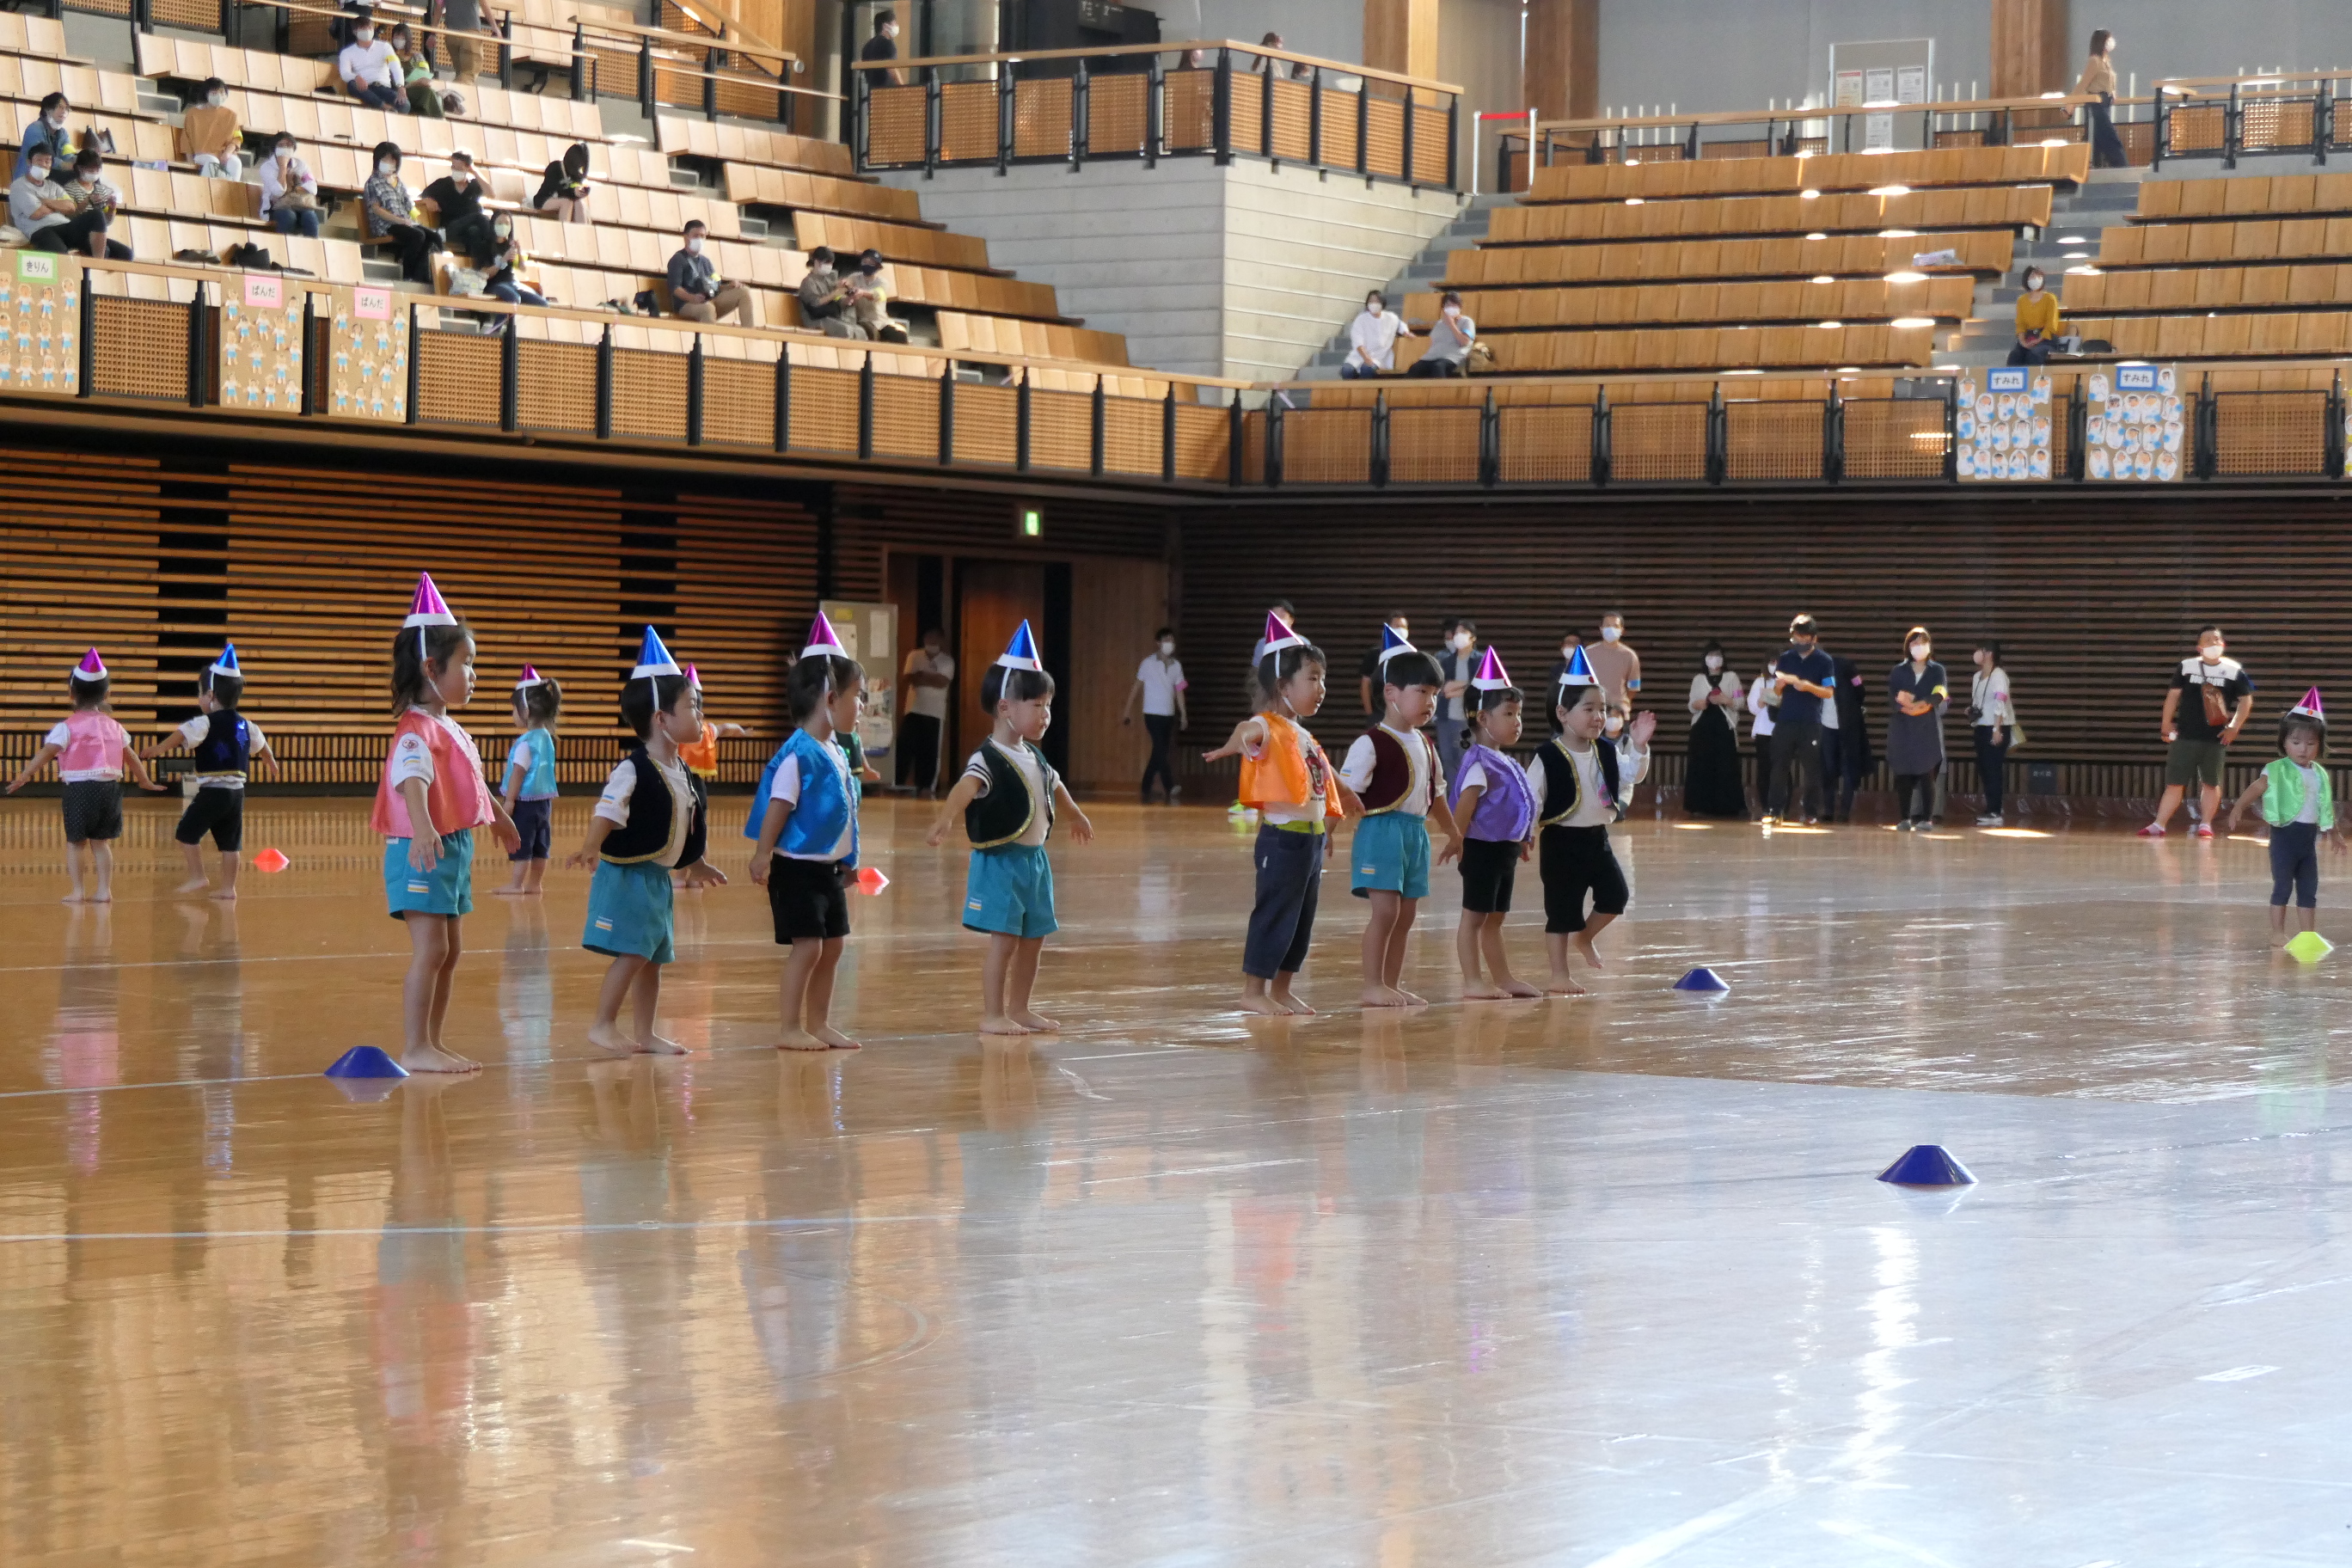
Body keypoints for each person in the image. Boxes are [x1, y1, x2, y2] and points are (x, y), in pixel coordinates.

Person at [371, 575, 521, 1072]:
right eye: (467, 664)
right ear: (431, 669)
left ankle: (431, 1043)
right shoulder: (416, 732)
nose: (473, 675)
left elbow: (472, 780)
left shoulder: (449, 728)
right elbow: (410, 781)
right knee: (432, 949)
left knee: (450, 951)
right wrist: (422, 828)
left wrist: (498, 818)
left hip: (450, 849)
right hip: (422, 849)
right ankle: (415, 1047)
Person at [926, 622, 1094, 1034]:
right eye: (1037, 705)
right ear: (1005, 707)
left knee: (1034, 939)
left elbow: (1056, 786)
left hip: (1035, 863)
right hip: (1001, 864)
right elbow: (966, 787)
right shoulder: (988, 757)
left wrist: (1075, 814)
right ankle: (993, 1014)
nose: (1046, 714)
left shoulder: (1035, 756)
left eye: (1048, 705)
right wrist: (945, 818)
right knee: (1004, 942)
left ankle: (1020, 1008)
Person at [567, 627, 725, 1056]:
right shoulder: (632, 769)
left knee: (653, 957)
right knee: (634, 954)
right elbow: (608, 809)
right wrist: (590, 845)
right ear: (661, 719)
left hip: (656, 881)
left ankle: (645, 1032)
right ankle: (602, 1024)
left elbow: (683, 824)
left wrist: (695, 862)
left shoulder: (683, 771)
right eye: (692, 706)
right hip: (629, 877)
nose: (700, 714)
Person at [1204, 615, 1354, 1015]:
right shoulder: (1266, 725)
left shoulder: (1303, 734)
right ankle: (1253, 990)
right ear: (1283, 687)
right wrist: (1234, 743)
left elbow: (1326, 775)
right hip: (1283, 840)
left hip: (1311, 840)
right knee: (1274, 914)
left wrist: (1346, 798)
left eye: (1323, 679)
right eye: (1313, 678)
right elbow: (1247, 730)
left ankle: (1283, 988)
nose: (1321, 688)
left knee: (1301, 920)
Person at [748, 617, 867, 1051]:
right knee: (809, 948)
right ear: (830, 699)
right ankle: (789, 1027)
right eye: (858, 696)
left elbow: (845, 811)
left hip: (827, 870)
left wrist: (848, 862)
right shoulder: (798, 754)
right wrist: (763, 853)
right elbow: (779, 805)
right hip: (796, 870)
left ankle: (819, 1023)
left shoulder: (836, 750)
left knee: (833, 947)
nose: (862, 705)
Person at [1341, 626, 1464, 1008]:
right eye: (1422, 692)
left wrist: (1454, 833)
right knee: (1386, 912)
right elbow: (1344, 793)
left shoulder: (1426, 743)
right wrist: (1326, 830)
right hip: (1381, 832)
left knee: (1406, 915)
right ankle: (1371, 985)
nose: (1431, 702)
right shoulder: (1370, 742)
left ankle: (1390, 984)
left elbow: (1435, 795)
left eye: (1434, 694)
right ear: (1391, 693)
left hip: (1415, 834)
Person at [2, 647, 162, 903]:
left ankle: (78, 891)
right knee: (101, 843)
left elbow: (45, 754)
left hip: (80, 791)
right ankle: (104, 891)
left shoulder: (67, 727)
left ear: (72, 693)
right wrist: (145, 781)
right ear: (107, 694)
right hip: (110, 790)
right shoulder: (116, 727)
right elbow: (131, 757)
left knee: (76, 843)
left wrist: (24, 776)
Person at [1537, 649, 1655, 987]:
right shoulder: (1548, 755)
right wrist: (1524, 833)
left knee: (1616, 896)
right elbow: (1532, 798)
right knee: (1562, 912)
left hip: (1596, 840)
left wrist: (1639, 746)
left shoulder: (1606, 749)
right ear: (1563, 713)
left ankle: (1585, 937)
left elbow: (1632, 774)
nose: (1598, 717)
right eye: (1588, 709)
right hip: (1561, 843)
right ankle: (1559, 975)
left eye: (1601, 709)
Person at [138, 641, 280, 900]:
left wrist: (158, 748)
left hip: (213, 792)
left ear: (211, 695)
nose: (199, 699)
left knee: (186, 834)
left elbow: (182, 734)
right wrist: (270, 761)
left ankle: (198, 876)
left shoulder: (205, 722)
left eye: (200, 694)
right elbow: (263, 746)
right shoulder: (247, 725)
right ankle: (228, 889)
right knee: (230, 845)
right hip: (236, 794)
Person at [1449, 649, 1542, 1000]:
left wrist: (1522, 837)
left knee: (1495, 918)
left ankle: (1503, 978)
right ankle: (1472, 981)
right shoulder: (1479, 764)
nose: (1518, 721)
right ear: (1484, 718)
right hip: (1481, 851)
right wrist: (1457, 840)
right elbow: (1466, 805)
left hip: (1503, 851)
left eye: (1519, 714)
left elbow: (1517, 804)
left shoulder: (1503, 760)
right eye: (1509, 714)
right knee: (1474, 917)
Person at [2230, 690, 2343, 937]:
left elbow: (2325, 806)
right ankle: (2278, 933)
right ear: (2284, 743)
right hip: (2284, 837)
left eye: (2311, 744)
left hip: (2308, 840)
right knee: (2282, 887)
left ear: (2319, 745)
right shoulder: (2276, 769)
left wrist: (2335, 833)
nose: (2303, 749)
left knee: (2308, 888)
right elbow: (2257, 787)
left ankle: (2307, 935)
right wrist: (2239, 807)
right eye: (2296, 742)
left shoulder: (2319, 774)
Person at [2145, 623, 2253, 838]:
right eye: (2208, 640)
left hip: (2215, 738)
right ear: (2199, 647)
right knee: (2175, 782)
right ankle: (2159, 824)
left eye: (2217, 639)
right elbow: (2173, 696)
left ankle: (2206, 824)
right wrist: (2166, 722)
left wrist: (2234, 727)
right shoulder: (2186, 667)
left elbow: (2246, 700)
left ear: (2223, 643)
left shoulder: (2234, 670)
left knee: (2211, 783)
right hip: (2185, 735)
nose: (2213, 642)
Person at [495, 665, 560, 897]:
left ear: (526, 711)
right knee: (541, 845)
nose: (513, 714)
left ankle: (516, 885)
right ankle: (535, 884)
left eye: (513, 709)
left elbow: (518, 773)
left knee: (522, 844)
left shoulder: (525, 743)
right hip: (544, 803)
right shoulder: (547, 738)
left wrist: (509, 801)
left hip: (524, 803)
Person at [1764, 614, 1834, 825]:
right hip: (1786, 720)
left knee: (1812, 769)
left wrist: (1808, 686)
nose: (1800, 642)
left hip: (1810, 722)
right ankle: (1775, 811)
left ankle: (1811, 812)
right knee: (1779, 766)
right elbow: (1776, 692)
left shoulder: (1825, 661)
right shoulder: (1786, 658)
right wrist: (1779, 687)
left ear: (1813, 638)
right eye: (1796, 638)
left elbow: (1829, 692)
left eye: (1804, 638)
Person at [1887, 626, 1949, 831]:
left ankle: (1927, 819)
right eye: (1914, 643)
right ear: (1908, 646)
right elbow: (1892, 698)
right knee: (1903, 773)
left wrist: (1921, 705)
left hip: (1926, 726)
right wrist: (1906, 708)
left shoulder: (1937, 670)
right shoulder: (1898, 670)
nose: (1918, 646)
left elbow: (1940, 693)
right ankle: (1904, 818)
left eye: (1923, 643)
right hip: (1903, 727)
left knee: (1926, 772)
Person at [1122, 627, 1187, 805]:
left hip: (1169, 714)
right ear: (1158, 643)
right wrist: (1127, 710)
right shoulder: (1148, 663)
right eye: (1166, 640)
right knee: (1160, 748)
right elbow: (1136, 687)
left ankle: (1145, 786)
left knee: (1159, 751)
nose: (1169, 644)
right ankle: (1169, 785)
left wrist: (1183, 714)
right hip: (1151, 713)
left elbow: (1180, 690)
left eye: (1171, 640)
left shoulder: (1177, 666)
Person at [362, 143, 444, 285]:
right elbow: (376, 209)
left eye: (392, 160)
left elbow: (408, 204)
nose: (389, 163)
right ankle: (408, 275)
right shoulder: (373, 182)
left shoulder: (398, 182)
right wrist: (399, 220)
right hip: (386, 225)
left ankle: (427, 276)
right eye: (385, 159)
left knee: (435, 237)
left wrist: (415, 218)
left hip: (405, 222)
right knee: (417, 236)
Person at [1683, 641, 1746, 818]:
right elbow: (1691, 705)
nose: (1714, 659)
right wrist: (1701, 703)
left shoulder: (1732, 677)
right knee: (1701, 766)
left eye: (1717, 655)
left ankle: (1728, 806)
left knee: (1726, 766)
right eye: (1710, 656)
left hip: (1724, 729)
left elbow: (1740, 701)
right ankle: (1699, 805)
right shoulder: (1698, 679)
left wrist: (1726, 700)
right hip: (1702, 730)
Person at [11, 148, 101, 258]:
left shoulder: (53, 186)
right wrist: (58, 206)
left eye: (47, 161)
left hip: (64, 225)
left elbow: (71, 207)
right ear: (29, 162)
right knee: (60, 254)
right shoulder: (20, 185)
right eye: (39, 160)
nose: (43, 164)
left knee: (98, 217)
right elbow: (37, 213)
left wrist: (46, 202)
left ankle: (99, 263)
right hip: (40, 229)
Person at [897, 627, 953, 796]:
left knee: (930, 752)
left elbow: (942, 682)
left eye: (935, 637)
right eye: (928, 637)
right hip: (913, 709)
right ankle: (899, 783)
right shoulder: (914, 656)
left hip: (935, 712)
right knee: (904, 747)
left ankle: (927, 787)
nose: (931, 641)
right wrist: (930, 677)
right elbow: (909, 678)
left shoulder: (947, 661)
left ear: (941, 640)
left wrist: (922, 675)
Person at [670, 219, 756, 326]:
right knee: (708, 308)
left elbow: (717, 283)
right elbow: (675, 288)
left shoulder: (706, 262)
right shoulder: (678, 259)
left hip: (709, 300)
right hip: (686, 305)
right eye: (696, 236)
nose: (699, 239)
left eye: (702, 236)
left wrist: (729, 286)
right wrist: (693, 298)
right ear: (686, 237)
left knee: (744, 292)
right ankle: (710, 336)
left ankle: (748, 332)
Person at [1428, 616, 1480, 790]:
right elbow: (1445, 689)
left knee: (1466, 758)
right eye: (1456, 633)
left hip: (1468, 719)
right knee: (1448, 759)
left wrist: (1463, 686)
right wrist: (1466, 685)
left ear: (1473, 637)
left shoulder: (1480, 661)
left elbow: (1480, 687)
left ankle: (1467, 796)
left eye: (1463, 633)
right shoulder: (1446, 661)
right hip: (1446, 718)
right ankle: (1453, 798)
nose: (1458, 636)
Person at [1970, 641, 2016, 826]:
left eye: (1980, 650)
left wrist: (1997, 729)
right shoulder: (1977, 677)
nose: (1976, 653)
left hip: (1996, 726)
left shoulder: (1999, 675)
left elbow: (2000, 700)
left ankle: (1995, 811)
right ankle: (1991, 808)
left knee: (1993, 768)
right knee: (1984, 768)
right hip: (1981, 726)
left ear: (1989, 653)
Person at [57, 149, 131, 260]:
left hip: (96, 235)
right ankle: (98, 263)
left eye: (97, 169)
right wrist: (87, 201)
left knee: (126, 254)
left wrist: (111, 209)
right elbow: (69, 216)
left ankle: (100, 263)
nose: (95, 172)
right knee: (97, 215)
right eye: (91, 169)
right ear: (80, 168)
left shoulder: (102, 190)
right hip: (76, 233)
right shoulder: (69, 189)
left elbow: (106, 222)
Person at [420, 150, 492, 260]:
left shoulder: (473, 186)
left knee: (474, 232)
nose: (455, 170)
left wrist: (475, 172)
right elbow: (423, 195)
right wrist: (427, 200)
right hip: (450, 229)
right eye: (453, 167)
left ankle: (479, 265)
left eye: (459, 168)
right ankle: (496, 249)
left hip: (467, 231)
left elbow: (491, 194)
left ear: (467, 168)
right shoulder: (444, 184)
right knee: (480, 217)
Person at [1828, 652, 1873, 822]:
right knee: (1848, 770)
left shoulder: (1824, 674)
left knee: (1828, 770)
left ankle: (1828, 810)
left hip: (1828, 727)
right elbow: (1861, 690)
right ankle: (1844, 812)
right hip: (1849, 726)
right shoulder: (1851, 671)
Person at [2076, 28, 2128, 169]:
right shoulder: (2095, 61)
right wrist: (2069, 106)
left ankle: (2094, 168)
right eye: (2108, 39)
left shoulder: (2106, 61)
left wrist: (2113, 92)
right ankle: (2122, 168)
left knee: (2097, 141)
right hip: (2096, 104)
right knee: (2110, 137)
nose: (2111, 42)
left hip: (2105, 103)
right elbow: (2083, 84)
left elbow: (2108, 81)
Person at [339, 11, 407, 112]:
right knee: (352, 85)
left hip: (383, 88)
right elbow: (345, 73)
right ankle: (384, 107)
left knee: (405, 105)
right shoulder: (347, 52)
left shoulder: (385, 47)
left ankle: (385, 109)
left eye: (370, 28)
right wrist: (356, 77)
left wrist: (400, 86)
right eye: (363, 29)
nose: (367, 31)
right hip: (364, 89)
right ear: (355, 31)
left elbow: (395, 66)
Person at [260, 134, 322, 240]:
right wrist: (283, 167)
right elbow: (278, 191)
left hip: (300, 205)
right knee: (288, 216)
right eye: (281, 145)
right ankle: (280, 245)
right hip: (275, 208)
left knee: (310, 217)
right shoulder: (267, 167)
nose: (285, 148)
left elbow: (313, 188)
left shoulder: (301, 164)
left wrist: (292, 188)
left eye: (289, 145)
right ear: (274, 148)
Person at [1583, 610, 1641, 721]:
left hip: (1618, 713)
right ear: (1601, 629)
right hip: (1593, 711)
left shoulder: (1630, 655)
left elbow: (1634, 686)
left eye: (1615, 626)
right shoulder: (1588, 653)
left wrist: (1623, 703)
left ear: (1622, 630)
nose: (1611, 629)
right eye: (1607, 626)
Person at [1341, 290, 1412, 379]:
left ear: (1382, 303)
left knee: (1366, 369)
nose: (1374, 304)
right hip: (1360, 356)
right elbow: (1358, 343)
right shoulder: (1361, 319)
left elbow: (1400, 325)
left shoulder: (1390, 317)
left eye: (1377, 301)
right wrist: (1367, 359)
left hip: (1380, 358)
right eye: (1371, 302)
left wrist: (1406, 333)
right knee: (1346, 371)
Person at [183, 80, 244, 181]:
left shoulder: (232, 115)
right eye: (214, 93)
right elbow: (186, 140)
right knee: (213, 162)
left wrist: (227, 153)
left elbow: (237, 139)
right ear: (206, 94)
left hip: (223, 154)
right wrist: (190, 162)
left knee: (236, 163)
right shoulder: (193, 114)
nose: (219, 96)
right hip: (202, 155)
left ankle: (231, 189)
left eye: (222, 93)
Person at [482, 213, 547, 306]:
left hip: (512, 283)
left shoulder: (510, 245)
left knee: (542, 304)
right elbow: (485, 274)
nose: (503, 226)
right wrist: (503, 259)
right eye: (500, 223)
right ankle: (504, 316)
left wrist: (519, 251)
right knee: (514, 299)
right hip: (495, 284)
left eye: (507, 223)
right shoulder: (485, 246)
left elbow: (522, 268)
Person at [1409, 291, 1477, 378]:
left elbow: (1464, 341)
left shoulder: (1466, 321)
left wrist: (1451, 325)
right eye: (1448, 305)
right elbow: (1433, 341)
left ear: (1460, 306)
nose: (1451, 308)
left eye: (1454, 305)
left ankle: (1442, 387)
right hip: (1432, 356)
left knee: (1438, 367)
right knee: (1415, 369)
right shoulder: (1439, 324)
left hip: (1453, 357)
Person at [1359, 610, 1409, 724]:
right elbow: (1365, 685)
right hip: (1379, 714)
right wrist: (1370, 713)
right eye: (1397, 626)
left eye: (1404, 627)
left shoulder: (1410, 656)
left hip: (1404, 715)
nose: (1401, 630)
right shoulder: (1375, 654)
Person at [390, 24, 445, 117]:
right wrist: (414, 83)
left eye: (402, 37)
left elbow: (425, 72)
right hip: (401, 89)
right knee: (428, 93)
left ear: (408, 39)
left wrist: (424, 80)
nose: (399, 40)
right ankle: (440, 120)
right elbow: (392, 81)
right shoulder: (389, 55)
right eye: (396, 37)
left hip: (419, 86)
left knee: (436, 95)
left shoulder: (417, 57)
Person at [2010, 266, 2061, 367]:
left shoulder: (2050, 299)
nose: (2036, 279)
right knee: (2014, 356)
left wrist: (2038, 340)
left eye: (2039, 276)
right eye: (2033, 276)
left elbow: (2051, 324)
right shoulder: (2021, 300)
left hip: (2046, 340)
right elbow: (2020, 324)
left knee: (2034, 355)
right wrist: (2023, 342)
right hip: (2028, 337)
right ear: (2026, 279)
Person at [1747, 652, 1779, 807]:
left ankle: (1782, 807)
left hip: (1782, 731)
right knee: (1764, 770)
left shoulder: (1787, 682)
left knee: (1782, 769)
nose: (1774, 666)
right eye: (1771, 662)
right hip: (1763, 732)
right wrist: (1761, 702)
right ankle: (1766, 806)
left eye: (1777, 662)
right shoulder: (1760, 682)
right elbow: (1752, 708)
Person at [15, 93, 70, 181]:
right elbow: (43, 158)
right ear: (47, 109)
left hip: (50, 179)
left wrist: (79, 162)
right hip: (27, 180)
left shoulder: (63, 133)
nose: (64, 111)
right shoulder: (34, 129)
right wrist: (65, 165)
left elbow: (68, 156)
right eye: (60, 107)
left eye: (66, 109)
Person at [435, 0, 490, 85]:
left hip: (451, 35)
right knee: (469, 74)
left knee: (461, 73)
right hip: (470, 34)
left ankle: (455, 90)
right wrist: (495, 28)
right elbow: (484, 5)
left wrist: (433, 33)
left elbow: (438, 8)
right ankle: (451, 90)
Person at [535, 143, 592, 224]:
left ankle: (582, 230)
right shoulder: (555, 168)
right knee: (566, 202)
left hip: (566, 198)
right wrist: (572, 191)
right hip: (545, 199)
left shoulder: (577, 174)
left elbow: (572, 190)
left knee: (579, 203)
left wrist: (580, 192)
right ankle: (565, 228)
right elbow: (555, 189)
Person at [861, 9, 905, 87]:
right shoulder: (888, 43)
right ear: (885, 26)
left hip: (871, 90)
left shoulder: (867, 46)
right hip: (885, 91)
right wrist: (903, 88)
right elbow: (892, 70)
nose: (896, 25)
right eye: (894, 23)